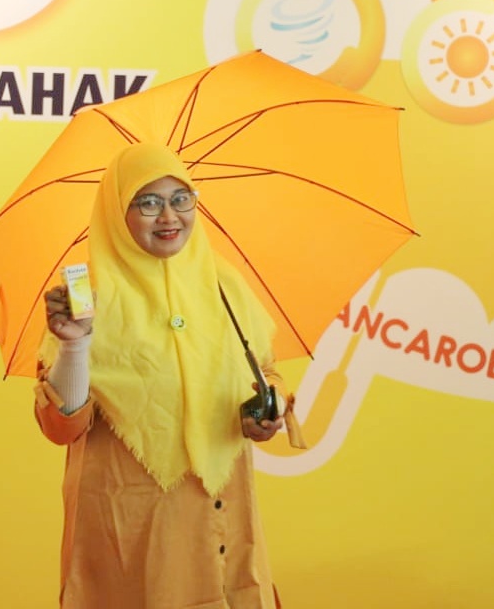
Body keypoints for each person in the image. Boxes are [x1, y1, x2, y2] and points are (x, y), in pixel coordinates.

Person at [34, 142, 303, 609]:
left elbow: (266, 371)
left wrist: (270, 408)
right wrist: (75, 344)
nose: (169, 217)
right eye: (148, 202)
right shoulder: (86, 295)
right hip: (132, 533)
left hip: (225, 523)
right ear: (117, 211)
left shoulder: (223, 283)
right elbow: (61, 427)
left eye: (181, 199)